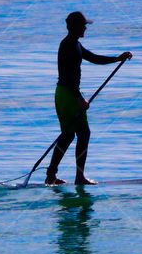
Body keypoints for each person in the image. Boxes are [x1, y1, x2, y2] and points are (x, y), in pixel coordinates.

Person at [45, 11, 132, 186]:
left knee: (69, 135)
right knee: (82, 133)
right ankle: (77, 177)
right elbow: (68, 76)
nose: (86, 28)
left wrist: (117, 59)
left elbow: (93, 58)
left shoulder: (74, 44)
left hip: (66, 93)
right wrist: (79, 98)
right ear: (74, 27)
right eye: (83, 25)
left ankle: (52, 175)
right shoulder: (68, 45)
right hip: (68, 94)